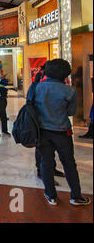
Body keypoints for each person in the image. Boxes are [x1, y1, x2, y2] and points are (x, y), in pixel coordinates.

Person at [34, 59, 91, 206]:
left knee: (46, 163)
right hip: (62, 131)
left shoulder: (38, 87)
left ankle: (51, 195)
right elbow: (71, 112)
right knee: (69, 163)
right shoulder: (69, 91)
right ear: (65, 74)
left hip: (42, 132)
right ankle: (76, 196)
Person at [29, 63, 65, 182]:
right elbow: (30, 102)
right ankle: (42, 171)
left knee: (50, 150)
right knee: (42, 151)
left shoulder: (58, 83)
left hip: (55, 123)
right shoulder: (38, 82)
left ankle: (51, 169)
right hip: (41, 122)